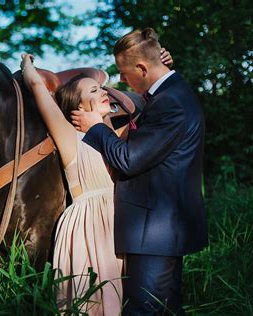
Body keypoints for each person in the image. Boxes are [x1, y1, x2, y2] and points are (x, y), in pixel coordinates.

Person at [20, 47, 173, 315]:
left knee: (126, 301)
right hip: (89, 227)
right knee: (94, 303)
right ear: (77, 106)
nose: (104, 92)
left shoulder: (117, 135)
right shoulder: (69, 136)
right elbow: (36, 88)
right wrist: (26, 65)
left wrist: (159, 66)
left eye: (102, 89)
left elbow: (156, 108)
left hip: (121, 226)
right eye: (94, 91)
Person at [71, 28, 208, 315]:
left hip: (155, 229)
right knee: (166, 308)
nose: (120, 80)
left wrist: (94, 126)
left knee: (143, 310)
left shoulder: (170, 104)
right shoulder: (171, 92)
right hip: (163, 228)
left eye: (123, 71)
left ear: (142, 67)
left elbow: (129, 159)